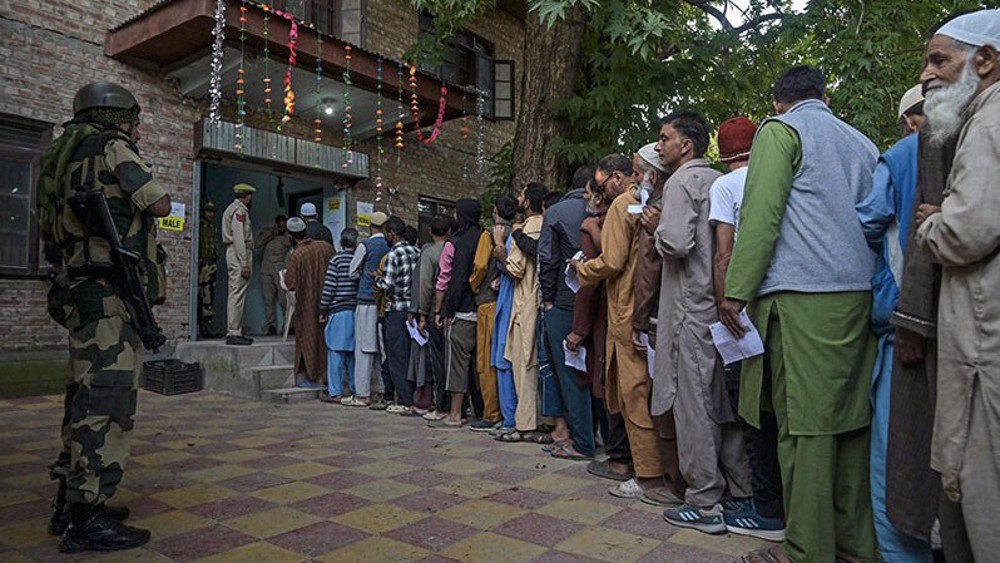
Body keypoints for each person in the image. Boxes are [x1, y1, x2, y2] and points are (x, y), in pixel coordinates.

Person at [720, 66, 879, 563]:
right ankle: (855, 546)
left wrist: (736, 291)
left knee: (803, 431)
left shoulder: (781, 131)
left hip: (802, 298)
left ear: (777, 103)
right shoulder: (863, 143)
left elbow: (761, 215)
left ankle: (806, 549)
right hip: (859, 298)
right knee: (850, 428)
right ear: (825, 96)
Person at [42, 81, 170, 552]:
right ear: (115, 116)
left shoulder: (63, 156)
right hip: (107, 294)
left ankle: (70, 499)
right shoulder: (111, 147)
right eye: (133, 120)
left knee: (82, 395)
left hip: (78, 288)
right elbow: (157, 202)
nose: (136, 128)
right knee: (109, 402)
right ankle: (87, 517)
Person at [914, 11, 1000, 560]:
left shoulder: (991, 121)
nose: (926, 74)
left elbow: (967, 231)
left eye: (940, 59)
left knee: (984, 495)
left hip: (985, 344)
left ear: (986, 60)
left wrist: (931, 221)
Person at [650, 111, 753, 535]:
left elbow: (675, 242)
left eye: (664, 138)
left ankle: (705, 501)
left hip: (690, 310)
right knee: (723, 405)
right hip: (720, 308)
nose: (659, 146)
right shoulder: (718, 180)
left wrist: (655, 228)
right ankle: (741, 493)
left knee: (693, 406)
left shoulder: (680, 183)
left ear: (686, 145)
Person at [856, 86, 933, 561]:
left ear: (909, 120)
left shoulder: (902, 156)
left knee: (897, 460)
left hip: (905, 327)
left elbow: (869, 219)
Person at [570, 155, 673, 501]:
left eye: (599, 187)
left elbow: (612, 261)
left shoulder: (623, 207)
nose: (596, 195)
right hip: (650, 310)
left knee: (633, 394)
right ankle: (657, 468)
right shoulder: (651, 204)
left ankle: (648, 474)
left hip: (626, 311)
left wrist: (581, 269)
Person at [707, 116, 786, 542]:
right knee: (782, 406)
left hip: (746, 306)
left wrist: (726, 303)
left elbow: (724, 252)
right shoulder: (781, 172)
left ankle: (764, 507)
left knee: (751, 409)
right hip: (785, 302)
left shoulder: (725, 186)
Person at [631, 142, 688, 506]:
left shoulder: (661, 206)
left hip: (662, 315)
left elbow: (650, 267)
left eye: (638, 173)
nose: (634, 180)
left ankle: (675, 483)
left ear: (652, 175)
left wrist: (638, 317)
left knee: (665, 401)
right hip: (681, 311)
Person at [570, 177, 630, 482]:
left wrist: (579, 328)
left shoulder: (601, 225)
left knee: (611, 383)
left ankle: (621, 460)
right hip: (632, 312)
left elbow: (605, 267)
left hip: (615, 314)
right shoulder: (638, 211)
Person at [538, 166, 595, 459]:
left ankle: (582, 441)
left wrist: (547, 299)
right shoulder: (601, 211)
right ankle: (604, 438)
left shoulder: (556, 213)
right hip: (599, 298)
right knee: (597, 371)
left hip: (564, 301)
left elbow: (546, 259)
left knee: (570, 372)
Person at [494, 185, 546, 441]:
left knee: (524, 365)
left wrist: (500, 253)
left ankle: (525, 424)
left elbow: (515, 270)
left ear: (528, 203)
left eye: (522, 194)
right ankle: (541, 419)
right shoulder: (546, 223)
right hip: (540, 303)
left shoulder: (524, 229)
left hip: (524, 304)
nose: (518, 197)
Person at [430, 199, 484, 429]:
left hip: (459, 312)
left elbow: (444, 280)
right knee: (479, 365)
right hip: (482, 310)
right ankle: (482, 411)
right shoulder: (485, 237)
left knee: (457, 364)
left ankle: (455, 413)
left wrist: (440, 310)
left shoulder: (454, 243)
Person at [343, 211, 390, 407]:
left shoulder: (365, 245)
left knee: (363, 348)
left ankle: (362, 394)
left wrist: (364, 276)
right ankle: (382, 391)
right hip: (384, 303)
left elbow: (351, 271)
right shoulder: (389, 245)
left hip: (365, 300)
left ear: (371, 226)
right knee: (381, 350)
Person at [377, 216, 420, 414]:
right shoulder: (417, 251)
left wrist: (376, 280)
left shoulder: (394, 254)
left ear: (392, 234)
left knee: (396, 356)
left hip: (396, 310)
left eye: (386, 233)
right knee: (412, 355)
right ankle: (414, 396)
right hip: (414, 310)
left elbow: (387, 284)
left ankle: (404, 399)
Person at [284, 217, 334, 387]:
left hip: (307, 304)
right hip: (329, 302)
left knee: (307, 338)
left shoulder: (297, 254)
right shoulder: (325, 247)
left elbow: (290, 282)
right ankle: (328, 377)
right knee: (324, 340)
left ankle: (308, 377)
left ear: (291, 236)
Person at [469, 207, 503, 431]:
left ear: (496, 211)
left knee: (486, 361)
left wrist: (473, 284)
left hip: (488, 303)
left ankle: (491, 413)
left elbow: (481, 265)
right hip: (508, 301)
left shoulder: (489, 235)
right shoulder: (518, 230)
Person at [490, 196, 520, 434]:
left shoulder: (508, 237)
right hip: (507, 299)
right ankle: (509, 415)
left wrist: (498, 246)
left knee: (504, 360)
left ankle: (511, 417)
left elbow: (514, 269)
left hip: (512, 303)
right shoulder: (514, 234)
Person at [416, 216, 451, 420]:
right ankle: (459, 405)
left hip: (434, 312)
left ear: (431, 232)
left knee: (437, 361)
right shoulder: (455, 249)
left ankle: (442, 405)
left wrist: (423, 314)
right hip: (453, 312)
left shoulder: (429, 254)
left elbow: (426, 286)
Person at [320, 228, 360, 403]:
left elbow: (329, 287)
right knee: (352, 355)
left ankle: (335, 392)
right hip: (355, 311)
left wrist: (323, 309)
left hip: (338, 311)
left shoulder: (336, 260)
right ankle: (354, 390)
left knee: (335, 353)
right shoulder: (359, 260)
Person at [222, 183, 256, 346]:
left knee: (236, 292)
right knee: (237, 292)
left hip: (234, 252)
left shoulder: (231, 208)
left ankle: (235, 330)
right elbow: (239, 237)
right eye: (250, 196)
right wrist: (244, 263)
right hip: (238, 253)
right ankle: (234, 332)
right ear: (247, 196)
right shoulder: (239, 211)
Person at [259, 215, 291, 336]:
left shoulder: (287, 235)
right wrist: (273, 233)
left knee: (284, 299)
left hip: (280, 270)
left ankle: (289, 324)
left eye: (284, 225)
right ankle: (271, 325)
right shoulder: (268, 232)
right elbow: (258, 243)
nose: (282, 227)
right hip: (266, 269)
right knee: (268, 299)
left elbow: (292, 245)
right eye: (280, 225)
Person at [197, 200, 219, 337]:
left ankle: (207, 327)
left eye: (212, 212)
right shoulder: (199, 226)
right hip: (202, 265)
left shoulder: (213, 228)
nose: (211, 214)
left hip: (211, 264)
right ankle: (201, 327)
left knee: (209, 296)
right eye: (208, 211)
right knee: (202, 296)